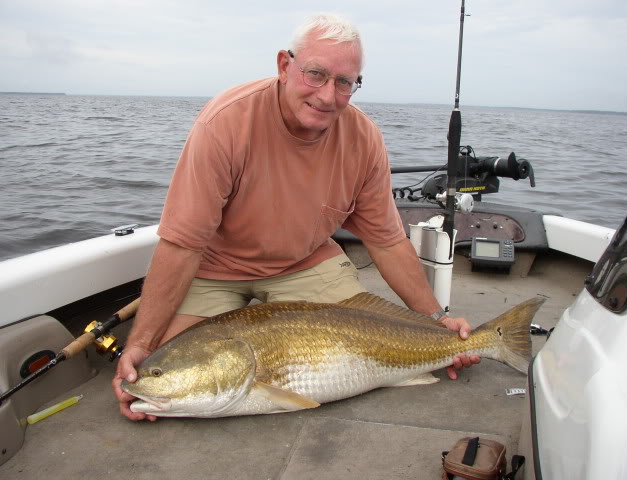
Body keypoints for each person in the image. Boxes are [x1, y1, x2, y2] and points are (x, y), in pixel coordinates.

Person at [113, 13, 480, 421]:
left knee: (371, 341)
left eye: (345, 82)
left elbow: (387, 241)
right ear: (285, 66)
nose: (327, 95)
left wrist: (436, 319)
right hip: (215, 267)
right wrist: (141, 344)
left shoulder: (365, 139)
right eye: (316, 74)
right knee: (167, 370)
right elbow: (182, 243)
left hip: (305, 261)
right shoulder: (224, 124)